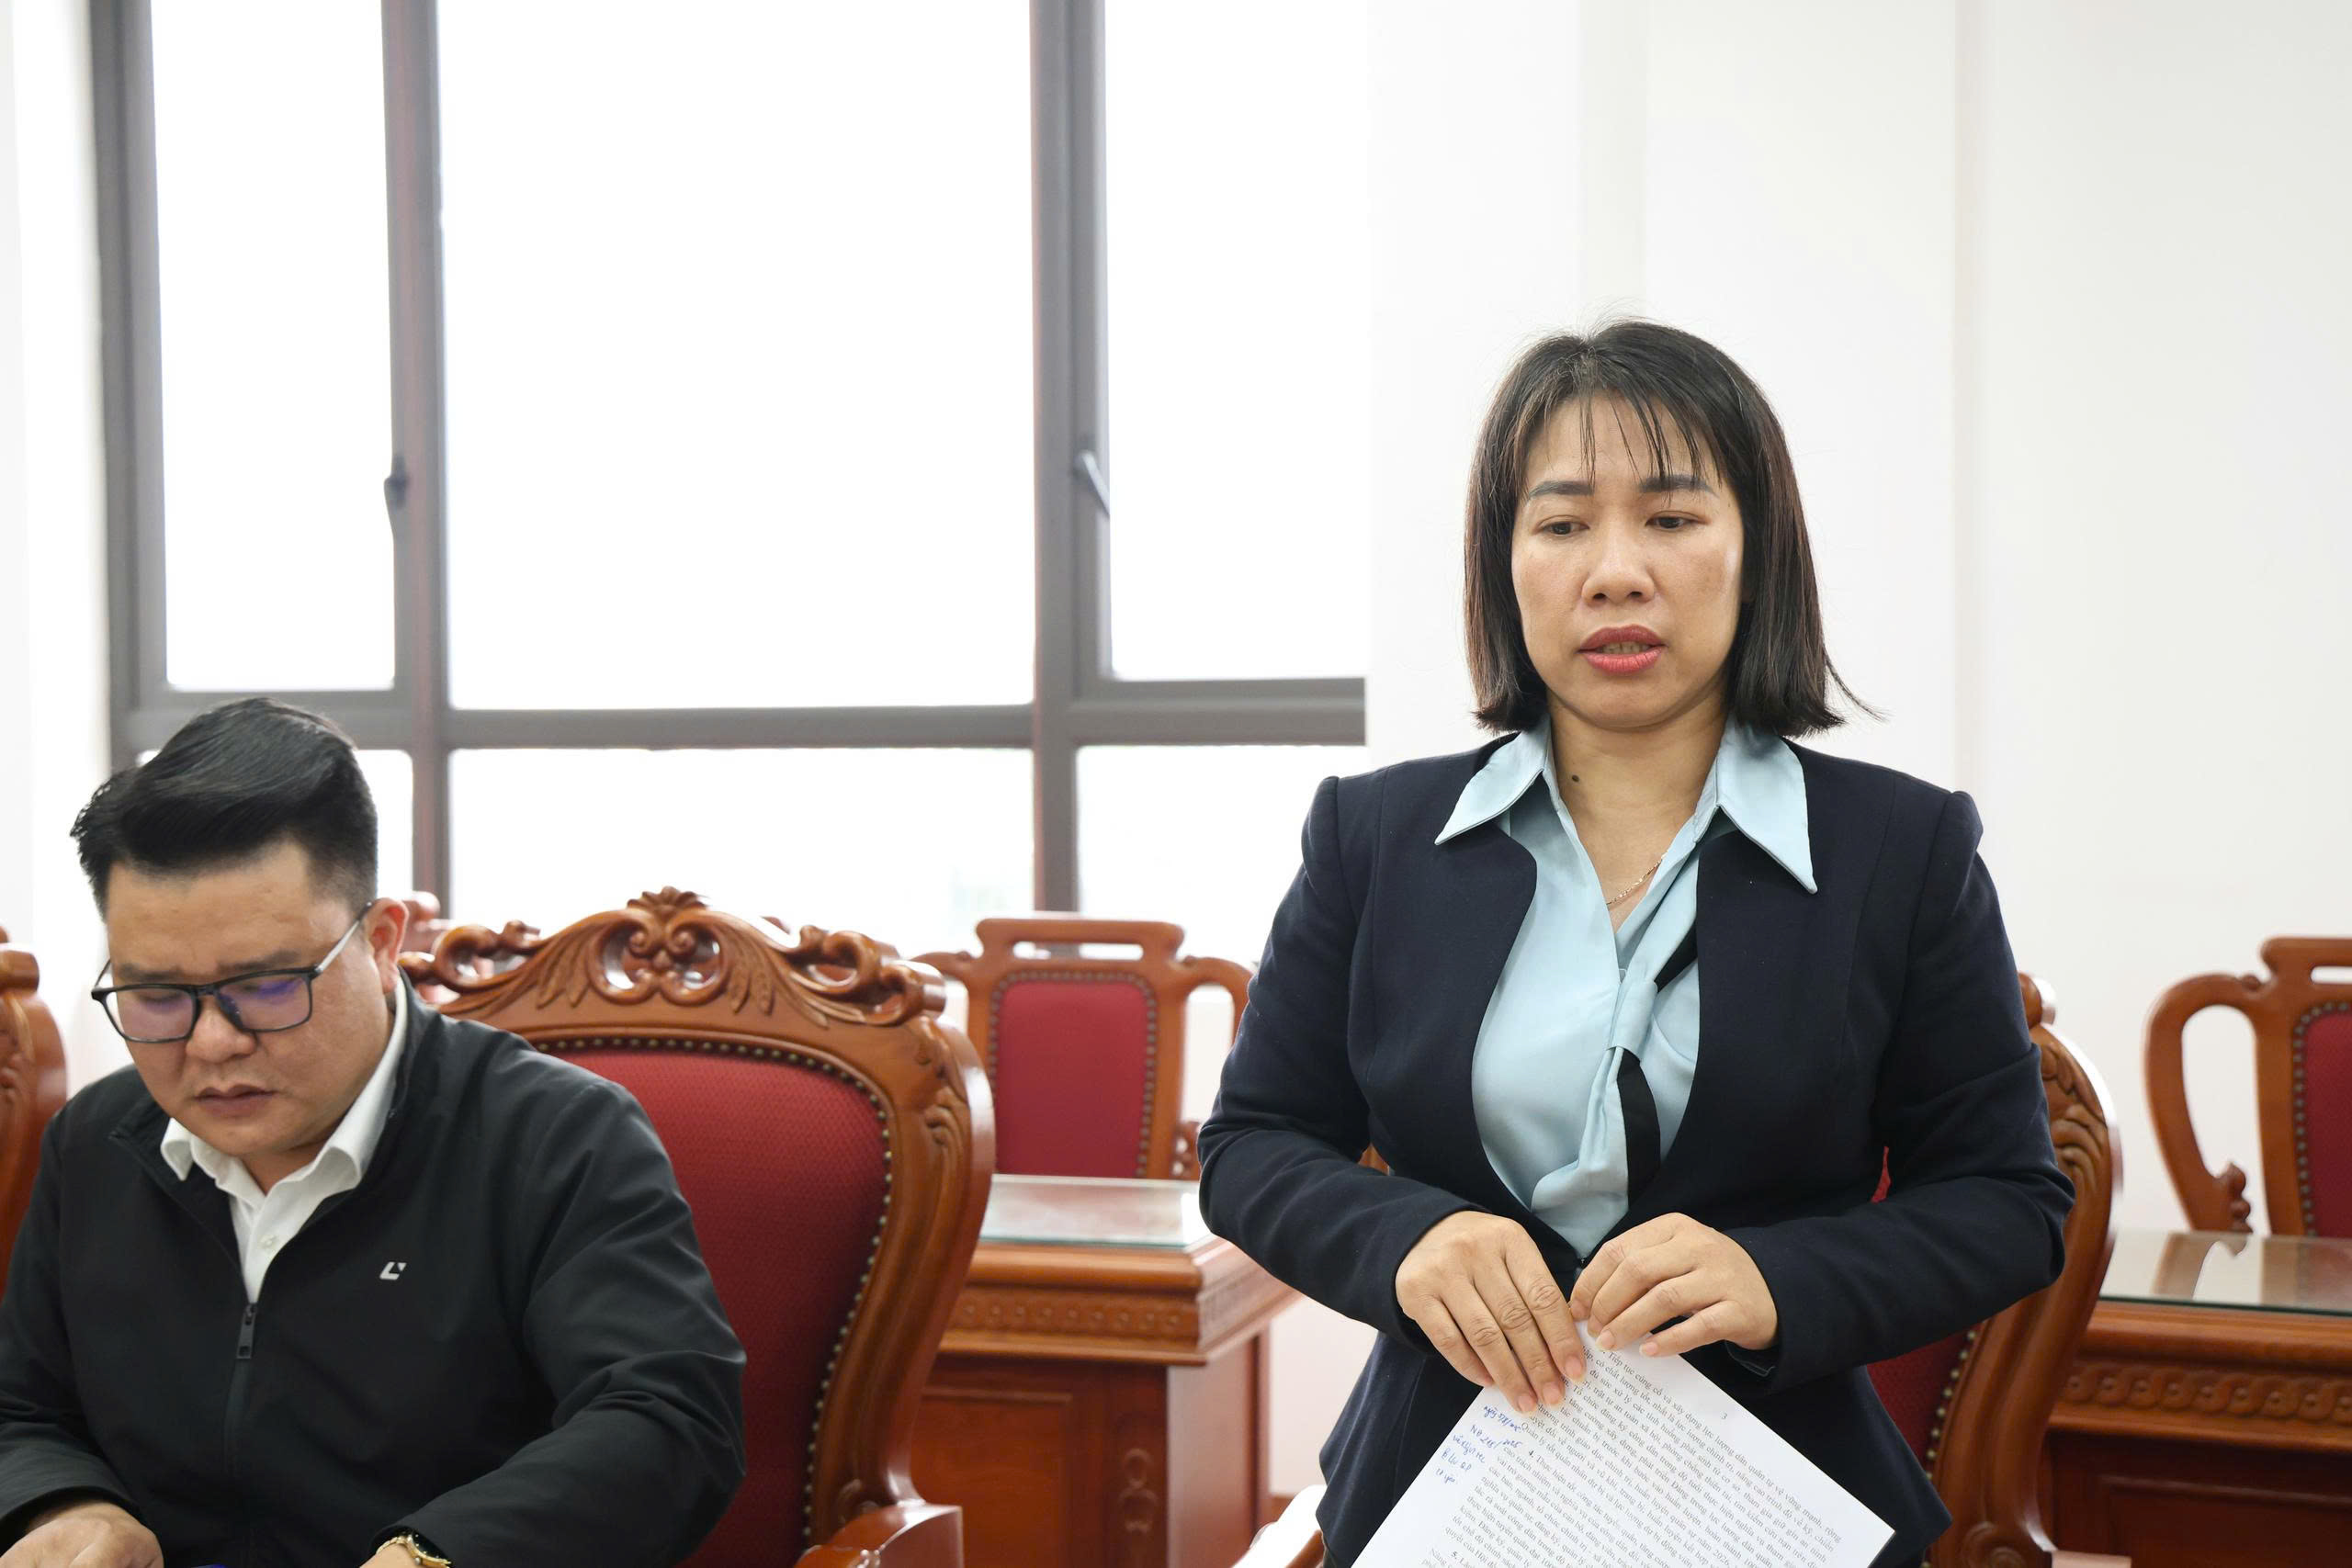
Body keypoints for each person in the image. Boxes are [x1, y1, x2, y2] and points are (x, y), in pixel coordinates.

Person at [1198, 321, 2073, 1568]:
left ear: (1757, 551)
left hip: (1772, 1496)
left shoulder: (1901, 848)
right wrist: (1409, 1240)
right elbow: (1252, 1145)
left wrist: (1779, 1278)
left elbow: (2006, 1201)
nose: (1615, 572)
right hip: (1444, 1485)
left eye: (1670, 517)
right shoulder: (1374, 836)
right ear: (1504, 565)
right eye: (1561, 524)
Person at [0, 699, 746, 1568]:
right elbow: (22, 1406)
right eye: (157, 995)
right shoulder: (97, 1142)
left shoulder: (553, 1137)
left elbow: (668, 1419)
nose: (211, 1043)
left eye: (267, 986)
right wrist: (69, 1505)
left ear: (382, 942)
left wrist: (435, 1554)